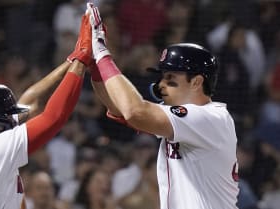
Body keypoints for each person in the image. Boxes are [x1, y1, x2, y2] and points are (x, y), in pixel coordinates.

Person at [85, 3, 239, 209]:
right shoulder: (185, 120)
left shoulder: (209, 118)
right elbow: (119, 107)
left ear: (196, 82)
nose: (161, 85)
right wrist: (96, 64)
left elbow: (135, 110)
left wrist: (103, 52)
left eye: (171, 78)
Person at [0, 12, 93, 209]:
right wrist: (81, 63)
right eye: (5, 115)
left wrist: (72, 60)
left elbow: (31, 102)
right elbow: (54, 116)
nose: (12, 117)